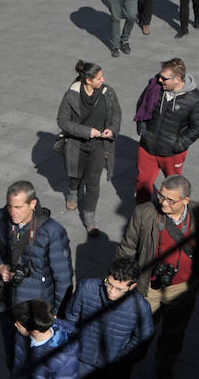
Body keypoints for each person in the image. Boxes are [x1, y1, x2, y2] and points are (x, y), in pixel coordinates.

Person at [0, 181, 73, 369]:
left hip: (35, 309)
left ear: (32, 204)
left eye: (18, 207)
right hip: (6, 302)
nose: (12, 212)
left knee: (34, 359)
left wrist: (56, 314)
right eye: (9, 206)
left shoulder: (52, 232)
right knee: (11, 353)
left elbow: (63, 278)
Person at [116, 175, 198, 379]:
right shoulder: (145, 213)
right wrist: (123, 280)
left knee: (174, 331)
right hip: (148, 286)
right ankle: (128, 361)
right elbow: (127, 248)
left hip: (182, 288)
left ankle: (164, 365)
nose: (163, 202)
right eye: (161, 196)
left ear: (185, 201)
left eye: (171, 200)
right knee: (140, 329)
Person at [56, 60, 121, 235]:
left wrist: (112, 129)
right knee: (75, 174)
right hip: (76, 143)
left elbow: (116, 114)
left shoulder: (108, 92)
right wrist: (86, 131)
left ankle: (90, 218)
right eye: (99, 78)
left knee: (93, 182)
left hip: (99, 145)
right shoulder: (72, 94)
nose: (103, 80)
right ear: (88, 81)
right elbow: (62, 121)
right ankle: (72, 191)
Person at [65, 257, 154, 378]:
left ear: (132, 287)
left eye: (119, 289)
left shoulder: (141, 307)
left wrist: (122, 359)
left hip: (114, 368)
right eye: (109, 284)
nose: (111, 291)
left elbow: (142, 339)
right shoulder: (86, 288)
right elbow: (70, 319)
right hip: (81, 361)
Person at [133, 58, 199, 204]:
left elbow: (196, 127)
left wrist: (180, 145)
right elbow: (142, 104)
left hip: (172, 153)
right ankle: (141, 215)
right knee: (142, 183)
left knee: (173, 187)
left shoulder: (194, 100)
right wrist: (143, 129)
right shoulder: (155, 87)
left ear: (177, 80)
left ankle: (170, 217)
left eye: (164, 78)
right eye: (160, 76)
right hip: (147, 147)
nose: (160, 80)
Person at [11, 299, 80, 378]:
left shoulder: (64, 358)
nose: (15, 325)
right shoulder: (22, 334)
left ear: (34, 331)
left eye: (18, 324)